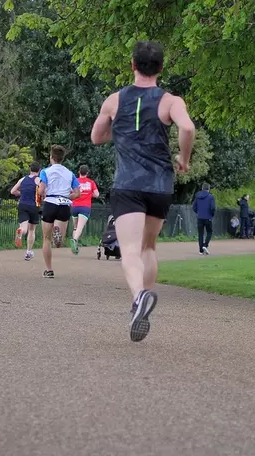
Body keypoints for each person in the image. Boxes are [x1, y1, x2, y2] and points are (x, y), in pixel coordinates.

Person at [91, 40, 195, 343]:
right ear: (160, 68)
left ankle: (139, 298)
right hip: (160, 184)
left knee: (130, 250)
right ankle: (142, 301)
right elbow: (187, 129)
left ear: (133, 66)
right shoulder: (170, 101)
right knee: (149, 248)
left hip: (128, 184)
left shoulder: (114, 100)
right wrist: (183, 160)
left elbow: (97, 136)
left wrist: (119, 130)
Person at [37, 145, 81, 278]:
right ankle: (58, 232)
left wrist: (42, 192)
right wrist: (67, 196)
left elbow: (40, 190)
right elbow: (77, 193)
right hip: (64, 204)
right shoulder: (70, 173)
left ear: (51, 157)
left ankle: (49, 270)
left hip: (50, 202)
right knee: (59, 243)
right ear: (62, 158)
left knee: (46, 239)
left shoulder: (45, 171)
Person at [11, 162, 42, 261]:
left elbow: (13, 191)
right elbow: (42, 193)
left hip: (22, 205)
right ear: (39, 170)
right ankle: (28, 252)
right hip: (34, 206)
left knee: (24, 228)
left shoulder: (22, 179)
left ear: (30, 169)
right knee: (32, 230)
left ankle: (20, 231)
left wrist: (22, 194)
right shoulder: (38, 180)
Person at [70, 165, 100, 255]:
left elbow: (70, 192)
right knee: (80, 227)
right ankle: (74, 240)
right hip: (85, 207)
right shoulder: (91, 182)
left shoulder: (75, 181)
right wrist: (89, 194)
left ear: (79, 172)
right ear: (87, 173)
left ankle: (75, 247)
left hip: (74, 206)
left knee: (75, 227)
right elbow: (97, 194)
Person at [192, 183, 216, 255]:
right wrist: (212, 215)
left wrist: (198, 212)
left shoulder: (197, 196)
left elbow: (194, 207)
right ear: (208, 189)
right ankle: (205, 245)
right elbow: (213, 208)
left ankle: (200, 250)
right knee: (209, 232)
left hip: (200, 217)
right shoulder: (211, 197)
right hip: (208, 217)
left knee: (200, 234)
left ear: (202, 188)